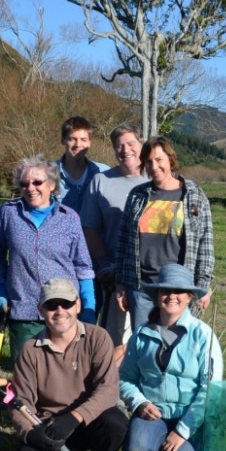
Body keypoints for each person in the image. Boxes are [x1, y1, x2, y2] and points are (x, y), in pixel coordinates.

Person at [9, 278, 127, 451]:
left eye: (66, 304)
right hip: (50, 427)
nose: (60, 311)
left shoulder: (98, 337)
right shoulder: (29, 350)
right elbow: (20, 402)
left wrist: (74, 417)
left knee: (116, 423)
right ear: (41, 310)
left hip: (89, 420)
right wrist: (31, 433)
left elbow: (108, 389)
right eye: (51, 305)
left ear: (78, 305)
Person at [118, 263, 223, 451]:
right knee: (136, 450)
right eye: (165, 290)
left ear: (189, 297)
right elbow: (125, 379)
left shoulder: (203, 335)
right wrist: (139, 403)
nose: (171, 296)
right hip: (153, 415)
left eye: (179, 291)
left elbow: (210, 391)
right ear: (157, 295)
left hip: (190, 420)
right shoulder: (141, 334)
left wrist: (183, 431)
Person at [0, 155, 96, 362]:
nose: (31, 188)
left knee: (66, 371)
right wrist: (0, 291)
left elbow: (83, 264)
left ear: (52, 185)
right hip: (23, 309)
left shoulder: (69, 217)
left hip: (62, 309)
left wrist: (89, 303)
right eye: (24, 183)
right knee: (27, 373)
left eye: (37, 182)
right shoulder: (8, 214)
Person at [115, 136, 214, 331]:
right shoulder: (137, 195)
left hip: (179, 288)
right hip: (141, 286)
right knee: (145, 346)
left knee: (177, 345)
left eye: (159, 160)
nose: (154, 166)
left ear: (170, 160)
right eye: (149, 162)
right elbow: (123, 242)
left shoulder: (193, 194)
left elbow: (206, 242)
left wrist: (203, 284)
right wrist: (121, 284)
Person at [79, 124, 148, 365]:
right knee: (114, 336)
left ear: (142, 145)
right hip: (113, 274)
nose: (125, 150)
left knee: (147, 332)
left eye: (131, 144)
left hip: (148, 274)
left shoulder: (155, 178)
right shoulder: (101, 181)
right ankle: (111, 387)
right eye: (119, 146)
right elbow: (90, 227)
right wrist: (105, 264)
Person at [56, 116, 108, 213]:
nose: (78, 145)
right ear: (63, 140)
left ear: (90, 142)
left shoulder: (104, 173)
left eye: (83, 139)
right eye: (72, 139)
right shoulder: (47, 174)